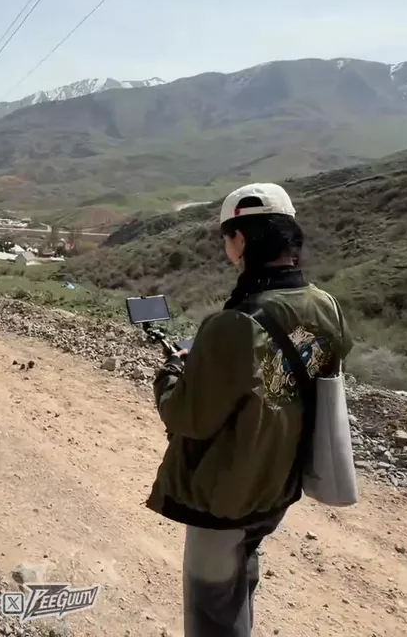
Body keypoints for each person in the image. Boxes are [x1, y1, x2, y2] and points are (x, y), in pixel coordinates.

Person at [146, 182, 352, 637]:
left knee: (212, 611)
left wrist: (171, 374)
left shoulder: (234, 323)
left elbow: (188, 416)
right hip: (277, 485)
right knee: (239, 584)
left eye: (227, 237)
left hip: (225, 494)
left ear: (239, 240)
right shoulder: (325, 306)